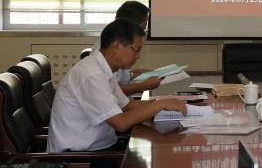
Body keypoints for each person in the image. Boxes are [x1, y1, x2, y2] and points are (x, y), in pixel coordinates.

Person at [50, 18, 186, 154]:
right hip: (78, 157)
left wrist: (166, 104)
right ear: (117, 45)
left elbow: (127, 105)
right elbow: (121, 123)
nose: (138, 56)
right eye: (136, 50)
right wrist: (159, 105)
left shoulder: (102, 69)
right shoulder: (91, 74)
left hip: (99, 148)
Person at [92, 0, 161, 95]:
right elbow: (111, 92)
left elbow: (116, 83)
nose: (138, 56)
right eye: (143, 28)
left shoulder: (114, 45)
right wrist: (144, 86)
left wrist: (135, 74)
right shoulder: (105, 52)